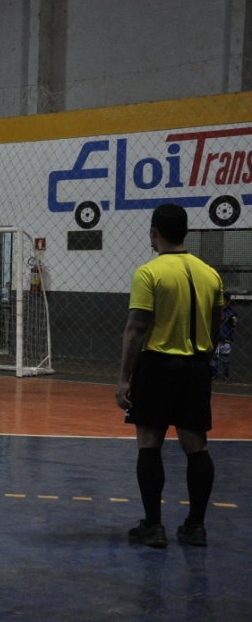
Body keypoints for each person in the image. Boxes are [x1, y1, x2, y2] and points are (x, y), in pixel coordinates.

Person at [115, 204, 224, 548]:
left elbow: (136, 328)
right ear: (185, 232)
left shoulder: (149, 273)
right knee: (197, 448)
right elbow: (216, 325)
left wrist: (124, 377)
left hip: (159, 367)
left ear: (154, 232)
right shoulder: (210, 274)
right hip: (197, 368)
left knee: (150, 445)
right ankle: (196, 526)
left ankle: (153, 526)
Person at [211, 292, 236, 382]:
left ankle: (226, 375)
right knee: (215, 357)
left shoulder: (231, 312)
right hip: (216, 337)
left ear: (228, 302)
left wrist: (225, 318)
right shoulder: (215, 310)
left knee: (225, 357)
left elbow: (233, 323)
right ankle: (214, 374)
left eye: (226, 300)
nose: (224, 302)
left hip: (226, 338)